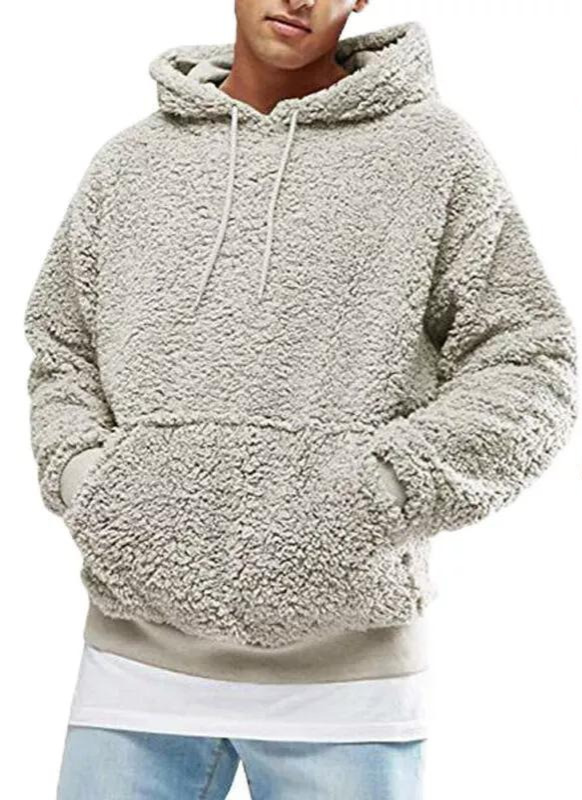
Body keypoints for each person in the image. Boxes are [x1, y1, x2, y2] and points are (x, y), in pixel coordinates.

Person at [23, 2, 577, 798]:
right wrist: (89, 481)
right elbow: (63, 348)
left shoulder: (434, 155)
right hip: (133, 671)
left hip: (346, 688)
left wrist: (382, 488)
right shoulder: (130, 164)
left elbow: (530, 359)